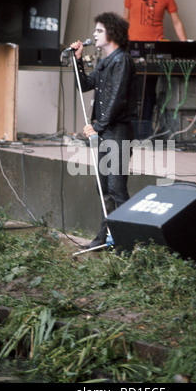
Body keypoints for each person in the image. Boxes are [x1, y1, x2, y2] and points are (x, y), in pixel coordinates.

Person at [70, 12, 137, 249]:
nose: (94, 35)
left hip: (116, 131)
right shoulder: (106, 62)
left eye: (99, 30)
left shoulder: (123, 62)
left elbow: (117, 100)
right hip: (104, 131)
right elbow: (85, 84)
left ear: (112, 33)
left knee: (117, 187)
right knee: (104, 187)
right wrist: (78, 60)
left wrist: (97, 126)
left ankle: (127, 241)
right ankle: (106, 237)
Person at [123, 0, 187, 121]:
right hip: (133, 46)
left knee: (149, 90)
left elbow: (177, 22)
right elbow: (125, 20)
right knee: (130, 88)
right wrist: (120, 44)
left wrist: (185, 46)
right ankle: (130, 127)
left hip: (155, 49)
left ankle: (145, 128)